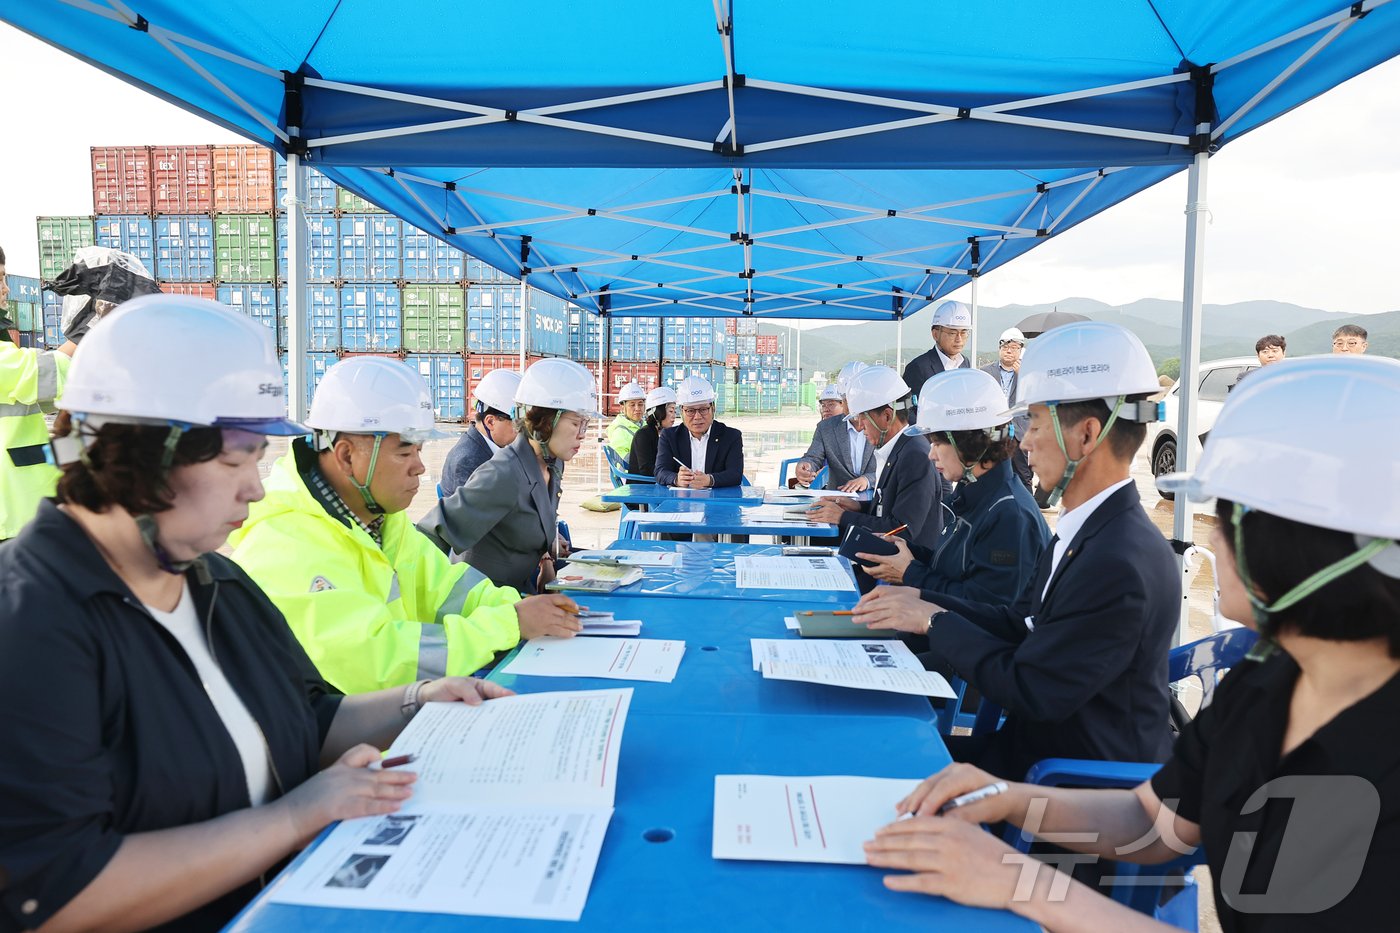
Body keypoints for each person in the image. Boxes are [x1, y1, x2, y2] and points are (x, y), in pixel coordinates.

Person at [0, 295, 516, 933]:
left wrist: (417, 702)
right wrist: (294, 818)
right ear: (142, 454)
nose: (254, 486)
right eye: (235, 458)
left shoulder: (217, 582)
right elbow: (53, 893)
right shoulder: (30, 625)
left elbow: (307, 716)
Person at [864, 355, 1400, 932]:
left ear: (1307, 544)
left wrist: (1016, 879)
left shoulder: (1373, 753)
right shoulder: (1271, 680)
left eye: (1227, 515)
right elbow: (1156, 820)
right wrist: (1008, 798)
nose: (1211, 538)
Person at [852, 322, 1178, 781]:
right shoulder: (1089, 531)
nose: (1023, 442)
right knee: (865, 744)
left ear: (1086, 435)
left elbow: (1032, 687)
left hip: (1070, 783)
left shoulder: (1117, 558)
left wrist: (933, 618)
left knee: (869, 757)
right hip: (1039, 752)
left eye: (1037, 425)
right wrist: (923, 600)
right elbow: (1019, 620)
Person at [230, 356, 579, 693]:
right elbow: (377, 663)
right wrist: (509, 624)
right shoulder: (287, 544)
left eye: (420, 451)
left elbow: (447, 588)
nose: (420, 468)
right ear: (347, 455)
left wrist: (518, 607)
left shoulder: (381, 519)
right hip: (351, 744)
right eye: (404, 452)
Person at [859, 369, 1050, 605]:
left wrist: (909, 573)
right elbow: (954, 566)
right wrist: (907, 551)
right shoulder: (974, 495)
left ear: (969, 443)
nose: (930, 454)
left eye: (937, 443)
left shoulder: (1010, 516)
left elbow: (986, 608)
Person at [418, 358, 600, 593]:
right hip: (482, 603)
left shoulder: (552, 465)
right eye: (577, 423)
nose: (583, 435)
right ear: (543, 422)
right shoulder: (504, 473)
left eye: (586, 424)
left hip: (520, 592)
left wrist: (546, 565)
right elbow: (431, 534)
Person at [806, 365, 943, 554]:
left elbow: (902, 529)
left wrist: (843, 517)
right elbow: (892, 508)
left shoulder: (914, 456)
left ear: (887, 415)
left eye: (863, 419)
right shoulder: (900, 448)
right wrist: (859, 507)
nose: (860, 427)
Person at [0, 245, 74, 541]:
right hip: (9, 518)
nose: (5, 289)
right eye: (0, 278)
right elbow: (39, 374)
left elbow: (42, 399)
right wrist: (92, 323)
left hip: (25, 512)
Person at [794, 361, 877, 492]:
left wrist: (867, 480)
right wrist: (806, 466)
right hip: (836, 503)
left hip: (875, 503)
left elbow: (896, 468)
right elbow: (813, 457)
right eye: (847, 399)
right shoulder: (826, 428)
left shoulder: (882, 426)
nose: (852, 405)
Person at [439, 368, 520, 496]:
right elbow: (472, 514)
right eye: (517, 424)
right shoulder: (469, 462)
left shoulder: (487, 448)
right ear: (490, 422)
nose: (520, 431)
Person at [655, 375, 745, 488]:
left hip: (717, 502)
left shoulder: (731, 436)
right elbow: (660, 472)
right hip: (681, 502)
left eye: (703, 409)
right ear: (681, 411)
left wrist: (710, 480)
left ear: (713, 408)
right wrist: (676, 479)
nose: (697, 417)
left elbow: (735, 474)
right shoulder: (669, 436)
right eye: (690, 411)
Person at [901, 299, 972, 423]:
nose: (959, 339)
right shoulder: (918, 367)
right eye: (952, 333)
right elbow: (908, 411)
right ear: (935, 334)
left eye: (964, 332)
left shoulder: (965, 363)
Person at [981, 326, 1033, 492]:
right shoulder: (986, 372)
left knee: (1023, 475)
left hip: (1018, 432)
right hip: (993, 431)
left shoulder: (1029, 374)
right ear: (999, 348)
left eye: (1014, 348)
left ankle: (1026, 511)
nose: (1009, 351)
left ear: (1021, 351)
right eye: (1005, 347)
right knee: (990, 472)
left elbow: (1034, 398)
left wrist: (1022, 375)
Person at [627, 384, 676, 478]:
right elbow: (646, 469)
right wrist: (671, 475)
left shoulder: (662, 434)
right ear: (658, 412)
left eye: (675, 412)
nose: (674, 416)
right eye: (670, 411)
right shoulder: (643, 435)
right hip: (643, 487)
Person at [606, 381, 648, 462]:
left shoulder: (646, 425)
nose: (637, 408)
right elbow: (624, 461)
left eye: (640, 404)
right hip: (630, 474)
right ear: (622, 407)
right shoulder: (619, 430)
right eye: (632, 405)